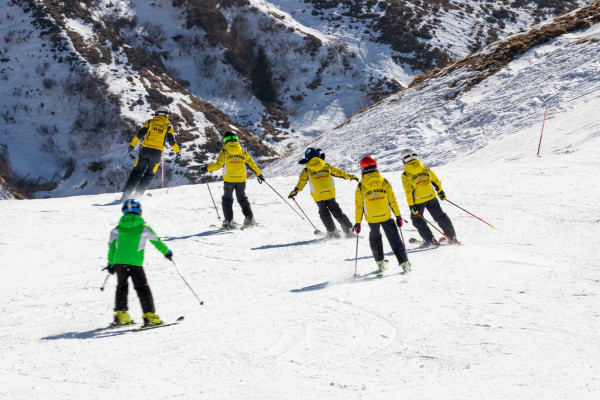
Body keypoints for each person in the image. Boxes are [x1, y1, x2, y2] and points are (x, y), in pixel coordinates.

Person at [104, 199, 174, 327]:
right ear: (140, 213)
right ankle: (150, 316)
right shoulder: (143, 228)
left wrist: (111, 264)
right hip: (135, 263)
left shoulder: (116, 230)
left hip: (119, 263)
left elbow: (112, 248)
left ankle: (121, 315)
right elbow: (156, 241)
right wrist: (167, 252)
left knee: (121, 286)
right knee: (142, 287)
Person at [354, 156, 410, 275]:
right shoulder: (384, 182)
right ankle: (404, 263)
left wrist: (358, 223)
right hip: (385, 216)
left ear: (362, 169)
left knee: (375, 239)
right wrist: (398, 216)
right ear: (376, 167)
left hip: (372, 219)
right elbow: (392, 201)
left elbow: (359, 206)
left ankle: (380, 263)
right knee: (395, 240)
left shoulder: (360, 186)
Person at [198, 131, 265, 228]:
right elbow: (252, 164)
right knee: (242, 198)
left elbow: (218, 165)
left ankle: (228, 221)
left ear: (225, 140)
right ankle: (250, 219)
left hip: (229, 179)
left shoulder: (225, 152)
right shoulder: (243, 152)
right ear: (236, 140)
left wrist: (206, 168)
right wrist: (259, 174)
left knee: (227, 199)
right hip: (241, 179)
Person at [288, 147, 357, 237]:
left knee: (324, 212)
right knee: (336, 210)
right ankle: (348, 229)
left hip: (318, 195)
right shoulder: (326, 166)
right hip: (330, 193)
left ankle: (332, 231)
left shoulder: (307, 170)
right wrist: (350, 176)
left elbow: (302, 182)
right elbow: (339, 173)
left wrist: (295, 191)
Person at [400, 148, 458, 244]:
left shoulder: (405, 175)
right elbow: (435, 181)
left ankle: (429, 239)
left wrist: (411, 205)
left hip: (418, 201)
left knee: (417, 220)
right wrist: (440, 192)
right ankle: (451, 236)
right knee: (440, 216)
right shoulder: (425, 168)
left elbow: (408, 191)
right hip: (431, 197)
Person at [121, 106, 181, 199]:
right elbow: (172, 141)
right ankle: (138, 194)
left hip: (145, 150)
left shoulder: (149, 123)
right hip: (156, 154)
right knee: (149, 174)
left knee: (137, 172)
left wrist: (132, 145)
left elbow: (139, 134)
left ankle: (126, 193)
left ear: (156, 113)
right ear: (166, 115)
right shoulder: (168, 127)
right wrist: (177, 151)